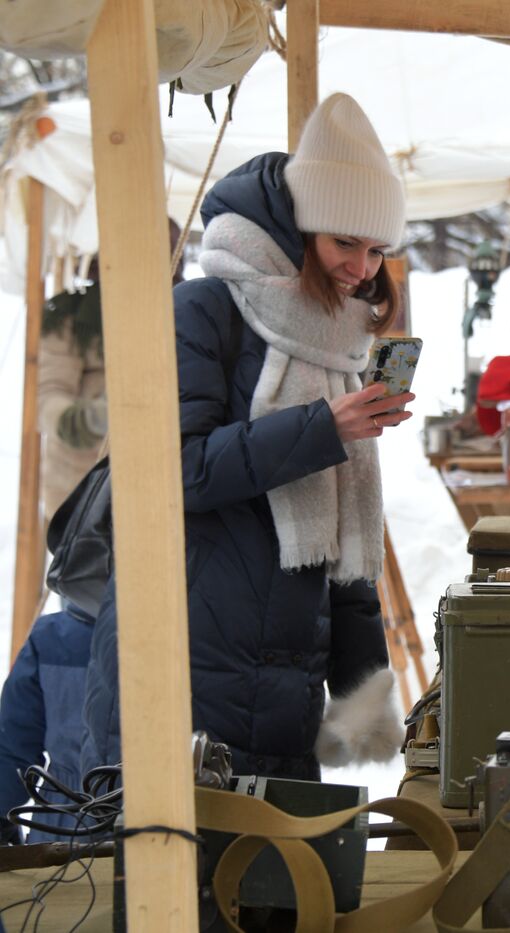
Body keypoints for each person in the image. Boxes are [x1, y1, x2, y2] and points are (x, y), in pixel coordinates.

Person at [82, 93, 414, 779]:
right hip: (184, 665)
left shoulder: (337, 345)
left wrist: (363, 695)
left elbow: (345, 543)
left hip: (284, 691)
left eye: (377, 248)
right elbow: (177, 469)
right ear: (298, 229)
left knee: (279, 882)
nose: (363, 267)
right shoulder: (202, 310)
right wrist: (325, 427)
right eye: (344, 242)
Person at [37, 221, 186, 523]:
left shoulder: (186, 308)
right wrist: (86, 420)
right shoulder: (72, 316)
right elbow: (49, 393)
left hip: (164, 481)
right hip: (84, 484)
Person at [0, 606, 94, 843]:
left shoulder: (52, 635)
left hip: (60, 826)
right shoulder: (185, 630)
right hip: (159, 822)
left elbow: (14, 751)